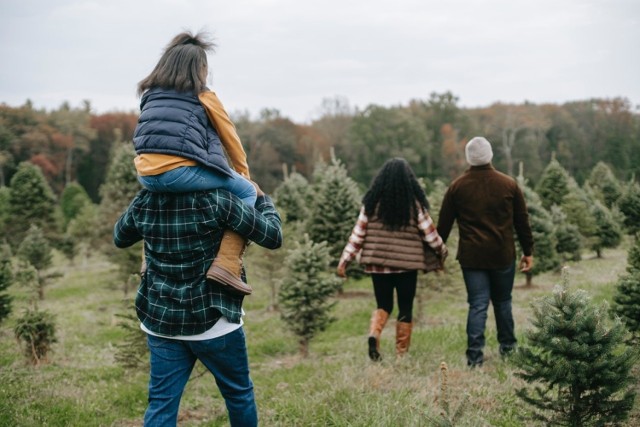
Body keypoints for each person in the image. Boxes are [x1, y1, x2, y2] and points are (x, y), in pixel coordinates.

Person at [113, 182, 282, 426]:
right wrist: (262, 198)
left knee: (161, 402)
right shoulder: (218, 199)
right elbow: (273, 236)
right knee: (238, 394)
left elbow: (120, 237)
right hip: (214, 322)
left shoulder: (146, 199)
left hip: (162, 322)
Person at [132, 31, 256, 295]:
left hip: (146, 176)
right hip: (177, 173)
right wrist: (244, 175)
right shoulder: (203, 95)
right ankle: (227, 263)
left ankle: (148, 263)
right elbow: (229, 136)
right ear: (199, 68)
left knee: (157, 203)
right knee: (246, 192)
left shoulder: (151, 95)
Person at [436, 136, 534, 368]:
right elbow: (522, 222)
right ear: (490, 155)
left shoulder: (457, 187)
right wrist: (528, 251)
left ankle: (475, 357)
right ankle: (508, 350)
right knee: (503, 302)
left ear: (469, 158)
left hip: (472, 257)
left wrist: (437, 255)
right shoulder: (509, 184)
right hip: (502, 254)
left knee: (477, 304)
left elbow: (443, 226)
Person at [337, 158, 447, 360]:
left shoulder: (371, 205)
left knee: (383, 305)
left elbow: (358, 234)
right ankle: (401, 354)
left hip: (377, 266)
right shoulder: (414, 205)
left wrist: (345, 259)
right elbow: (430, 235)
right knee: (405, 307)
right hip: (406, 267)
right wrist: (442, 252)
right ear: (409, 180)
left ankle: (374, 333)